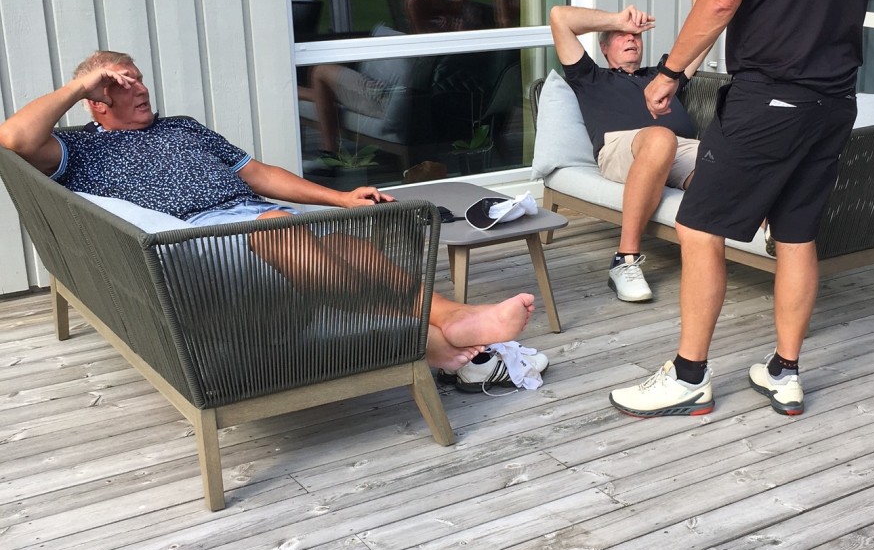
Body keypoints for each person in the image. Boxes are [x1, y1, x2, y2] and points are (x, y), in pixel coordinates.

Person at [609, 0, 874, 418]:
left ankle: (689, 376)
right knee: (795, 233)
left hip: (773, 94)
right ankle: (785, 372)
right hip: (834, 98)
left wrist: (671, 71)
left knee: (698, 225)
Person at [0, 51, 539, 376]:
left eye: (138, 77)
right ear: (96, 100)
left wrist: (340, 198)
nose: (139, 87)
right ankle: (417, 332)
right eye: (121, 84)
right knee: (284, 228)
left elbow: (258, 174)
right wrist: (80, 84)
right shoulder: (80, 149)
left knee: (344, 240)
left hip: (256, 214)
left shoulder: (181, 127)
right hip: (193, 243)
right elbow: (13, 139)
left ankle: (452, 319)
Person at [549, 0, 709, 302]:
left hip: (679, 150)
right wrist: (617, 20)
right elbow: (560, 17)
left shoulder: (662, 76)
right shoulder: (591, 78)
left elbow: (703, 33)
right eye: (621, 36)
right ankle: (625, 260)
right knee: (660, 138)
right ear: (604, 49)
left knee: (731, 160)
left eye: (635, 35)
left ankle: (773, 237)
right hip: (624, 148)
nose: (630, 38)